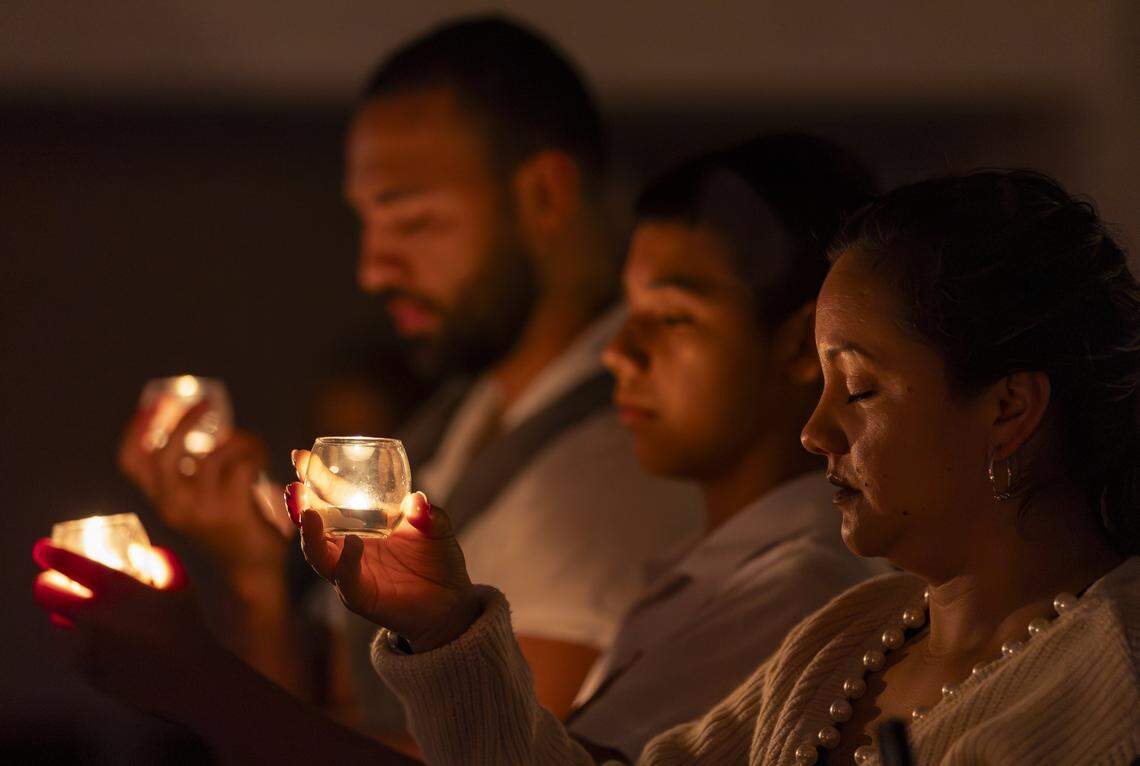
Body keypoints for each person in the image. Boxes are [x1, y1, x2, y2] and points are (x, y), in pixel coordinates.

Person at [282, 170, 1139, 764]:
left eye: (861, 390)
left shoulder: (1112, 677)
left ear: (1008, 408)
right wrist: (442, 626)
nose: (815, 433)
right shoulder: (845, 645)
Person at [116, 13, 701, 733]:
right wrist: (252, 570)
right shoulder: (467, 416)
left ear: (545, 196)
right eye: (366, 223)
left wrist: (191, 671)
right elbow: (333, 715)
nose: (373, 269)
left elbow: (500, 755)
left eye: (414, 221)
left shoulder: (621, 454)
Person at [564, 134, 888, 760]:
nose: (618, 352)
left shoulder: (800, 591)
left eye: (674, 316)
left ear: (803, 344)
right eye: (629, 311)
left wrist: (443, 632)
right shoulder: (723, 569)